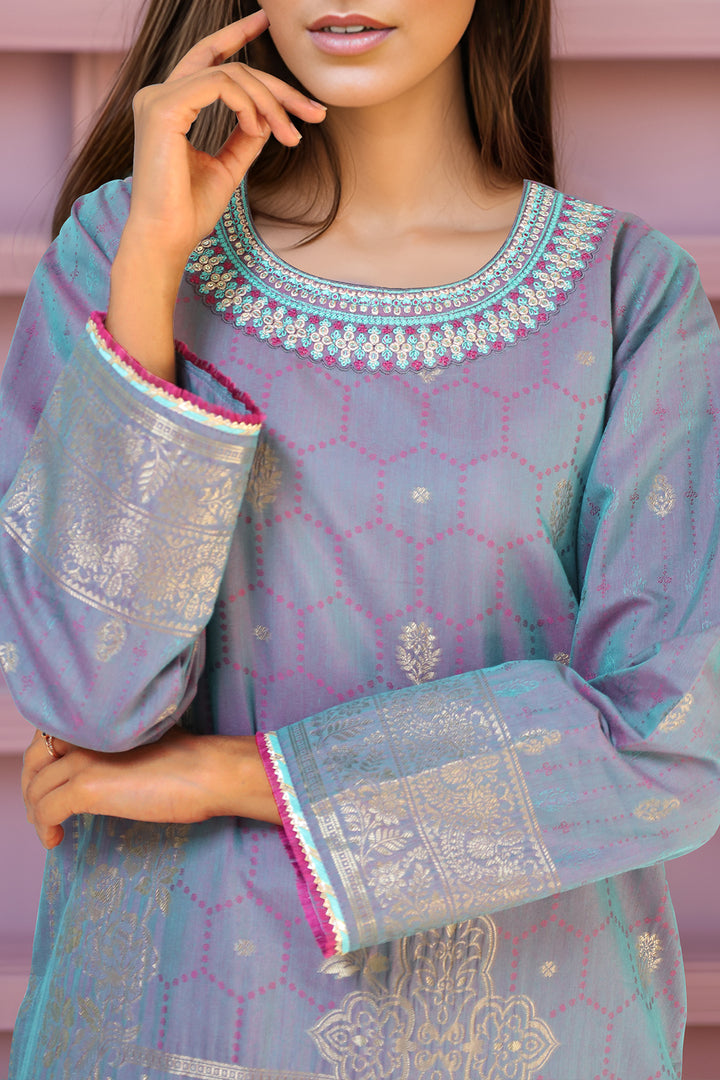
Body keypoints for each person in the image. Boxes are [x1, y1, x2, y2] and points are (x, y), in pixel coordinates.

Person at [2, 0, 719, 1076]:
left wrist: (240, 777)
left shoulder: (626, 293)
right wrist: (153, 264)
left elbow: (671, 739)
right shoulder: (124, 243)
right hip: (174, 1016)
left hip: (537, 1023)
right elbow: (83, 694)